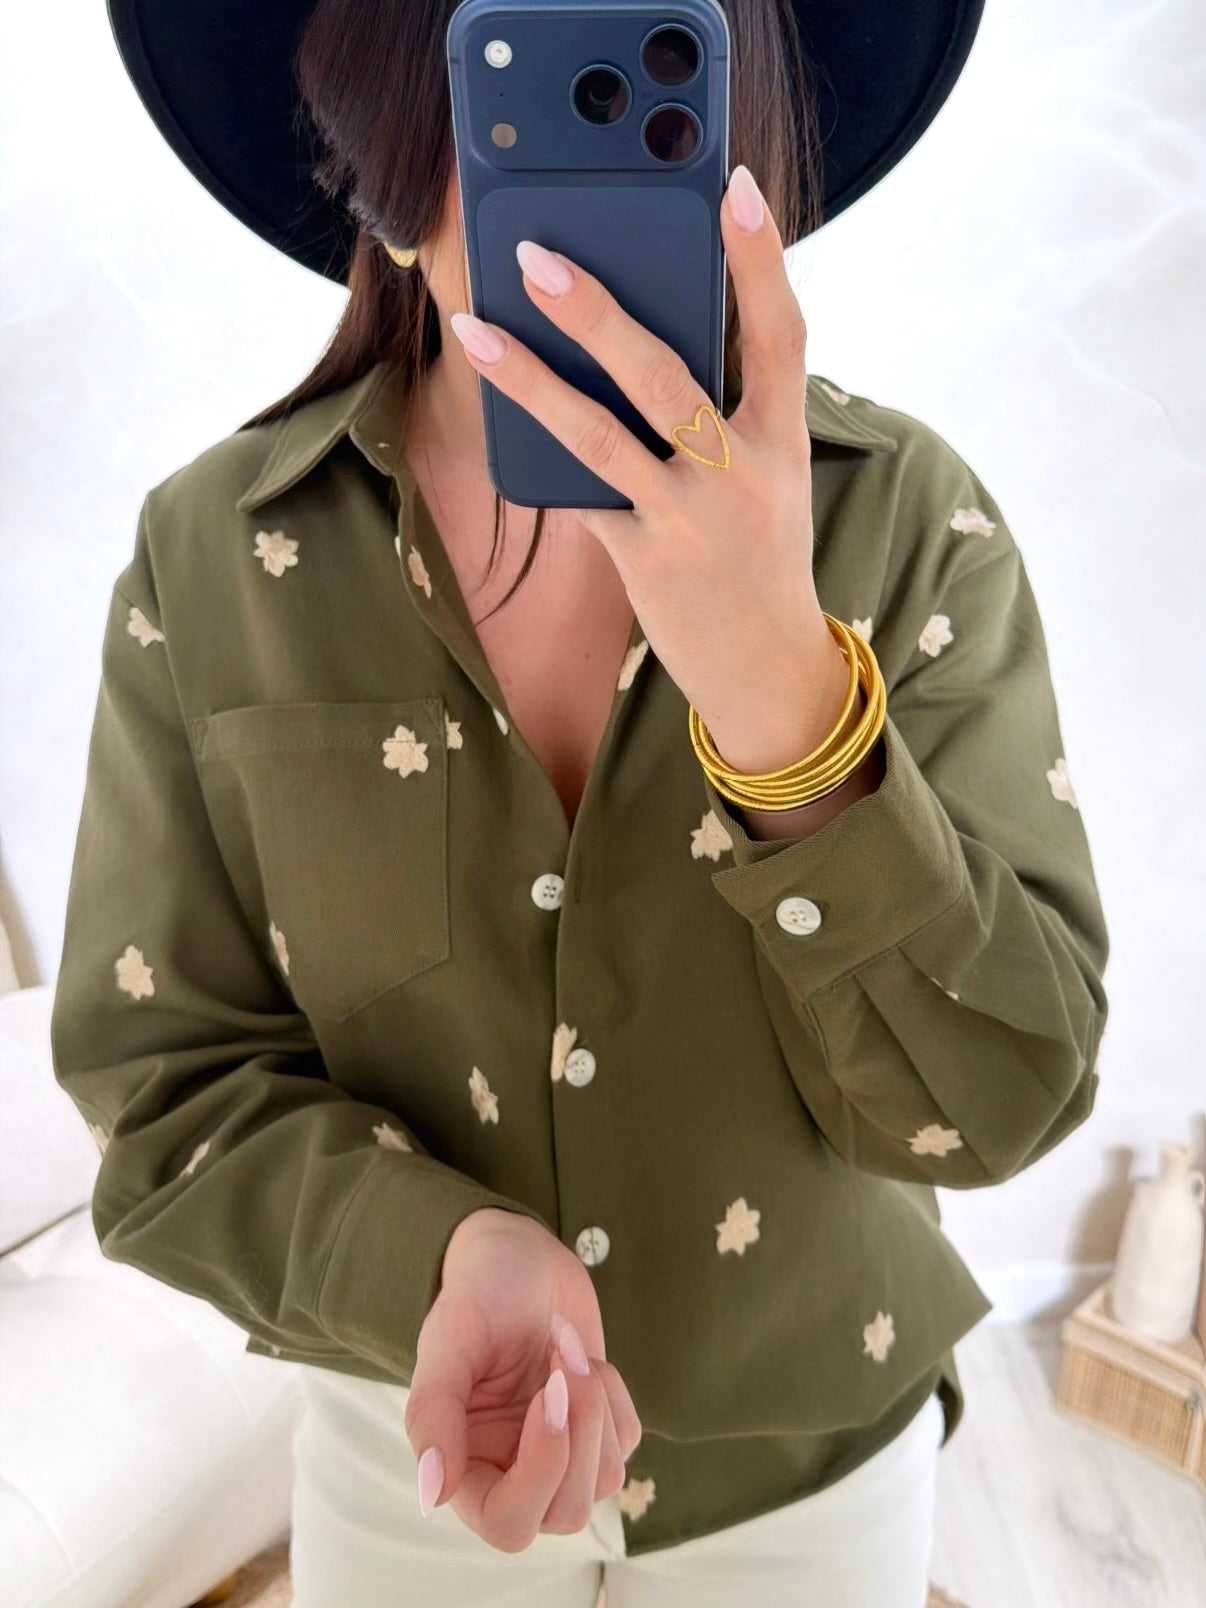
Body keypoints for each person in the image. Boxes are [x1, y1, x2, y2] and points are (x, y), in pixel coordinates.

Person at [52, 2, 1109, 1603]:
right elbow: (162, 1086)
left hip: (813, 1466)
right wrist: (435, 1251)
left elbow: (995, 1102)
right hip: (415, 1452)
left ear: (747, 117)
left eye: (647, 60)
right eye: (516, 70)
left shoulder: (909, 527)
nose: (575, 147)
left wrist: (789, 706)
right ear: (381, 133)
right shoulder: (214, 559)